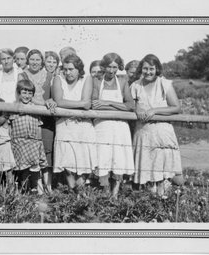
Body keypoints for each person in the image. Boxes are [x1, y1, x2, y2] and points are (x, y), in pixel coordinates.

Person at [130, 54, 182, 196]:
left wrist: (155, 110)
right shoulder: (136, 86)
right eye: (145, 68)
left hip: (162, 134)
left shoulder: (164, 84)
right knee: (145, 174)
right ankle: (146, 205)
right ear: (141, 69)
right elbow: (129, 105)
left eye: (151, 69)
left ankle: (162, 202)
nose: (148, 72)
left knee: (162, 175)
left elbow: (176, 107)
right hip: (143, 134)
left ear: (157, 68)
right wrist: (136, 108)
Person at [87, 53, 135, 198]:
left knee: (119, 158)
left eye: (115, 67)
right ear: (104, 66)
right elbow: (95, 105)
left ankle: (115, 194)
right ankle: (105, 192)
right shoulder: (96, 81)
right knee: (103, 158)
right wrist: (119, 107)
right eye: (109, 66)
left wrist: (108, 103)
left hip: (120, 127)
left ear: (118, 67)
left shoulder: (122, 82)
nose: (111, 70)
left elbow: (130, 105)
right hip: (102, 126)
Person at [52, 54, 97, 190]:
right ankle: (72, 192)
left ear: (79, 69)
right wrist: (80, 105)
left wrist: (67, 106)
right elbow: (59, 101)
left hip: (83, 127)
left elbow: (87, 103)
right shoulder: (58, 79)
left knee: (84, 160)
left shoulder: (87, 79)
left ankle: (80, 192)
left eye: (71, 69)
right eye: (65, 69)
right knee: (67, 162)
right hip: (64, 126)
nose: (67, 72)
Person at [17, 49, 56, 193]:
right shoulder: (22, 75)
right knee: (32, 152)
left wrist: (51, 101)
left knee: (46, 152)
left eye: (38, 60)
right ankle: (36, 187)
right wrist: (44, 103)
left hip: (46, 119)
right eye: (32, 59)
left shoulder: (50, 75)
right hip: (30, 118)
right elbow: (25, 94)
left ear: (42, 62)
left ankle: (49, 187)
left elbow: (53, 96)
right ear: (28, 61)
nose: (35, 62)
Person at [9, 80, 48, 195]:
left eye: (30, 93)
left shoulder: (35, 107)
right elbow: (10, 126)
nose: (27, 96)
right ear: (18, 93)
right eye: (24, 92)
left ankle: (35, 189)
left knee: (35, 168)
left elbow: (39, 125)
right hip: (19, 143)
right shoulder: (13, 107)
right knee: (23, 169)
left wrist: (39, 141)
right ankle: (24, 191)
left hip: (33, 142)